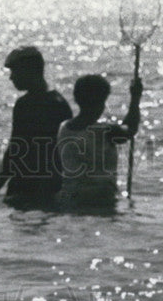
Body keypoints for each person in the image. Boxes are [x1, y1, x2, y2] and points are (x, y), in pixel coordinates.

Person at [0, 46, 72, 207]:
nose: (11, 78)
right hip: (52, 183)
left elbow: (15, 148)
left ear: (29, 71)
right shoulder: (59, 102)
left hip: (26, 185)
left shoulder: (26, 104)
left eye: (15, 72)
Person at [56, 74, 143, 211]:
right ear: (100, 103)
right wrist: (135, 98)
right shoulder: (104, 132)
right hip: (100, 200)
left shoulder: (64, 128)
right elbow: (130, 128)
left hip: (71, 197)